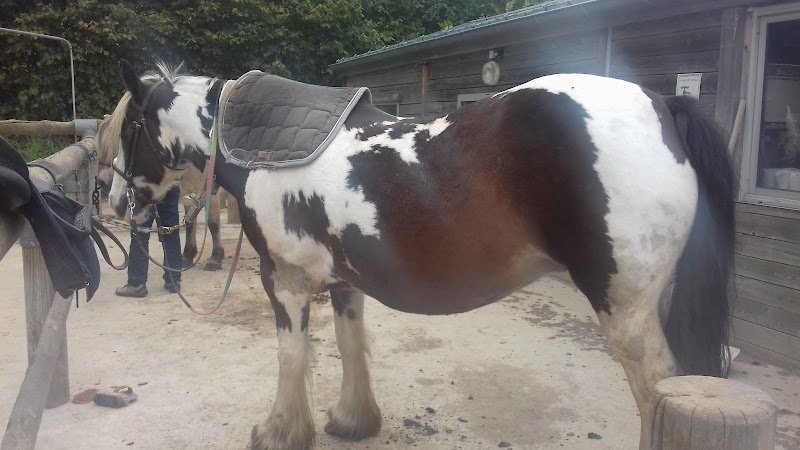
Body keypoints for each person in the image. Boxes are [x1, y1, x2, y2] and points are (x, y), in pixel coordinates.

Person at [115, 186, 182, 297]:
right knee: (171, 231)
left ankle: (136, 284)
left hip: (145, 185)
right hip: (169, 183)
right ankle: (174, 280)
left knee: (140, 234)